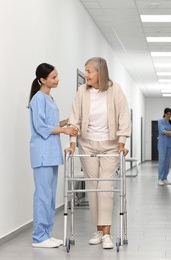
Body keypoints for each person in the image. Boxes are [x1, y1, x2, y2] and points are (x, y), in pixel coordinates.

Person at [65, 57, 131, 249]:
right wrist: (71, 143)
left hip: (110, 145)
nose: (86, 75)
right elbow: (74, 117)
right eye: (85, 71)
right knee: (92, 187)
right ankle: (99, 230)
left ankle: (108, 233)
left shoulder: (115, 89)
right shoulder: (82, 92)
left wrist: (122, 142)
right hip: (87, 144)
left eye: (88, 71)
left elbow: (124, 117)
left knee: (106, 186)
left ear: (99, 72)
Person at [29, 63, 78, 248]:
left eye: (57, 76)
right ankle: (39, 237)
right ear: (42, 80)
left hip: (51, 153)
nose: (57, 80)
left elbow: (50, 123)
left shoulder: (50, 98)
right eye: (53, 77)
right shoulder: (38, 99)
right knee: (42, 195)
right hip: (42, 154)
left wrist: (67, 122)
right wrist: (65, 130)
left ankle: (46, 234)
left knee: (49, 196)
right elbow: (41, 128)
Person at [157, 108, 171, 186]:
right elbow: (163, 131)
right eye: (168, 114)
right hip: (162, 144)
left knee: (167, 162)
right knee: (162, 161)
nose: (169, 116)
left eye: (170, 114)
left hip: (169, 144)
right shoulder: (160, 121)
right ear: (165, 114)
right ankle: (160, 179)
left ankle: (165, 178)